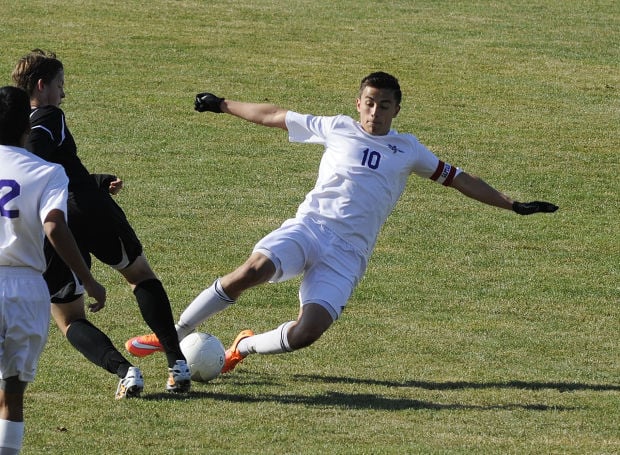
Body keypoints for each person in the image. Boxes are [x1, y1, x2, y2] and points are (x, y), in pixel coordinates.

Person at [126, 72, 558, 374]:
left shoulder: (408, 150)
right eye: (369, 103)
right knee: (251, 271)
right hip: (309, 228)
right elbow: (276, 115)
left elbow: (459, 178)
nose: (375, 112)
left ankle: (243, 346)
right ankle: (172, 334)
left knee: (308, 331)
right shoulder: (337, 127)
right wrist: (223, 105)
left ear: (397, 109)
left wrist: (512, 204)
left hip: (349, 254)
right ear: (358, 104)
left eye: (384, 105)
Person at [11, 49, 190, 398]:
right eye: (60, 85)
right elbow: (39, 153)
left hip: (51, 217)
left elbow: (46, 170)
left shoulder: (13, 131)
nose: (63, 93)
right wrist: (87, 187)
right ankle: (177, 364)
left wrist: (93, 178)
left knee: (69, 318)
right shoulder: (46, 116)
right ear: (42, 85)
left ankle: (126, 372)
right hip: (85, 209)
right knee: (140, 276)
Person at [0, 86, 106, 454]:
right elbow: (54, 226)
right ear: (26, 128)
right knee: (11, 397)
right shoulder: (47, 172)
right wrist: (88, 280)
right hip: (26, 290)